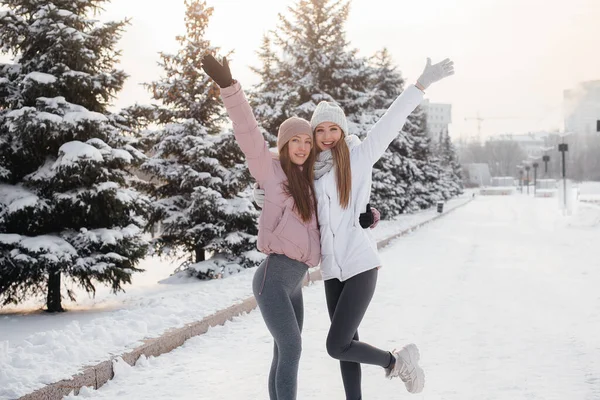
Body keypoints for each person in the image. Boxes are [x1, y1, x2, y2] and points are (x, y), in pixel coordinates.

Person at [255, 57, 454, 398]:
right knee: (348, 344)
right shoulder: (309, 173)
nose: (327, 136)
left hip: (360, 264)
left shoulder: (360, 157)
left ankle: (396, 361)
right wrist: (261, 193)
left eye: (333, 129)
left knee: (337, 344)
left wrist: (420, 85)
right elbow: (282, 183)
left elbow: (391, 122)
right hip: (332, 270)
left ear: (342, 131)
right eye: (320, 130)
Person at [201, 54, 319, 400]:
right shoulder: (269, 170)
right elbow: (248, 131)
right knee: (292, 349)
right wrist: (229, 87)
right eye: (296, 140)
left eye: (307, 141)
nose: (302, 147)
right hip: (273, 279)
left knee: (283, 353)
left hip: (295, 280)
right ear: (284, 144)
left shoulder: (312, 180)